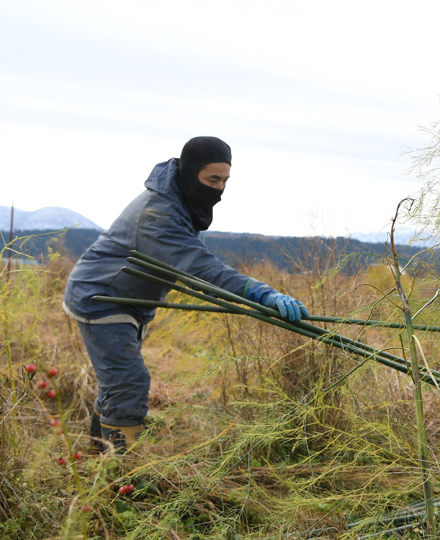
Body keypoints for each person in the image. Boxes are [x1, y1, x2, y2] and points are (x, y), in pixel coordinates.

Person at [63, 136, 309, 454]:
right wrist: (261, 293)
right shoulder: (159, 213)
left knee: (118, 381)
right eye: (212, 179)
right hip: (103, 298)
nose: (219, 188)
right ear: (191, 172)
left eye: (225, 180)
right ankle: (119, 476)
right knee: (128, 382)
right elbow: (200, 267)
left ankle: (99, 456)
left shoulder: (177, 196)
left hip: (128, 300)